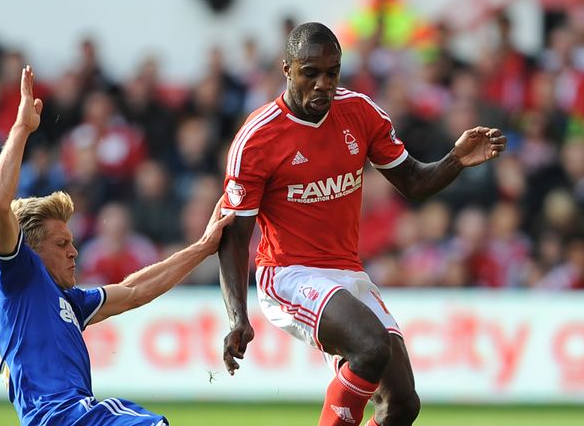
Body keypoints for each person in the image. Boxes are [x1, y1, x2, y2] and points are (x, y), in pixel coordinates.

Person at [217, 22, 506, 426]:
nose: (323, 84)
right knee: (370, 348)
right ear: (287, 69)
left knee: (403, 404)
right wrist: (237, 317)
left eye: (332, 73)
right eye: (310, 73)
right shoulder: (258, 139)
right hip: (289, 273)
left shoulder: (360, 113)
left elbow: (415, 182)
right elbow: (234, 237)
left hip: (347, 273)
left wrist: (454, 160)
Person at [0, 65, 234, 426]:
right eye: (62, 243)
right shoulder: (18, 277)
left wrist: (203, 247)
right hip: (67, 416)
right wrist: (22, 129)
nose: (74, 252)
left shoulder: (65, 300)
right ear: (31, 249)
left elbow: (134, 290)